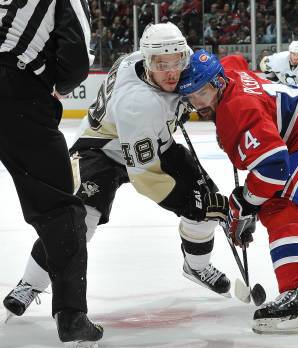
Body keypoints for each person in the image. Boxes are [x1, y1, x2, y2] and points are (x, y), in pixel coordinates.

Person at [3, 23, 231, 321]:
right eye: (162, 65)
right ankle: (30, 283)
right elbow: (145, 176)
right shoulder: (138, 104)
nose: (172, 72)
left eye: (177, 61)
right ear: (148, 63)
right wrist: (185, 202)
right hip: (101, 150)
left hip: (154, 141)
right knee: (78, 221)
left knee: (208, 202)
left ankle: (197, 266)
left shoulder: (146, 60)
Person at [178, 50, 298, 334]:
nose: (198, 104)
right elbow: (236, 58)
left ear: (219, 83)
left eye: (203, 93)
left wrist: (244, 204)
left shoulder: (237, 111)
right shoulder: (228, 73)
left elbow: (273, 171)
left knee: (280, 209)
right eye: (190, 97)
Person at [0, 0, 102, 348]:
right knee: (61, 209)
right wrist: (55, 84)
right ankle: (72, 316)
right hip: (16, 94)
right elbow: (75, 58)